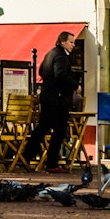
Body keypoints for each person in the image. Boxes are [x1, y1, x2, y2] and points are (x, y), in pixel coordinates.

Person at [22, 30, 79, 174]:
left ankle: (26, 157)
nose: (73, 45)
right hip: (57, 99)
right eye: (71, 42)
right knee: (59, 131)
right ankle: (51, 163)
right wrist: (75, 85)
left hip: (47, 96)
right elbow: (60, 75)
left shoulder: (50, 53)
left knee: (43, 128)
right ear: (62, 42)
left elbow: (41, 70)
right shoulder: (61, 56)